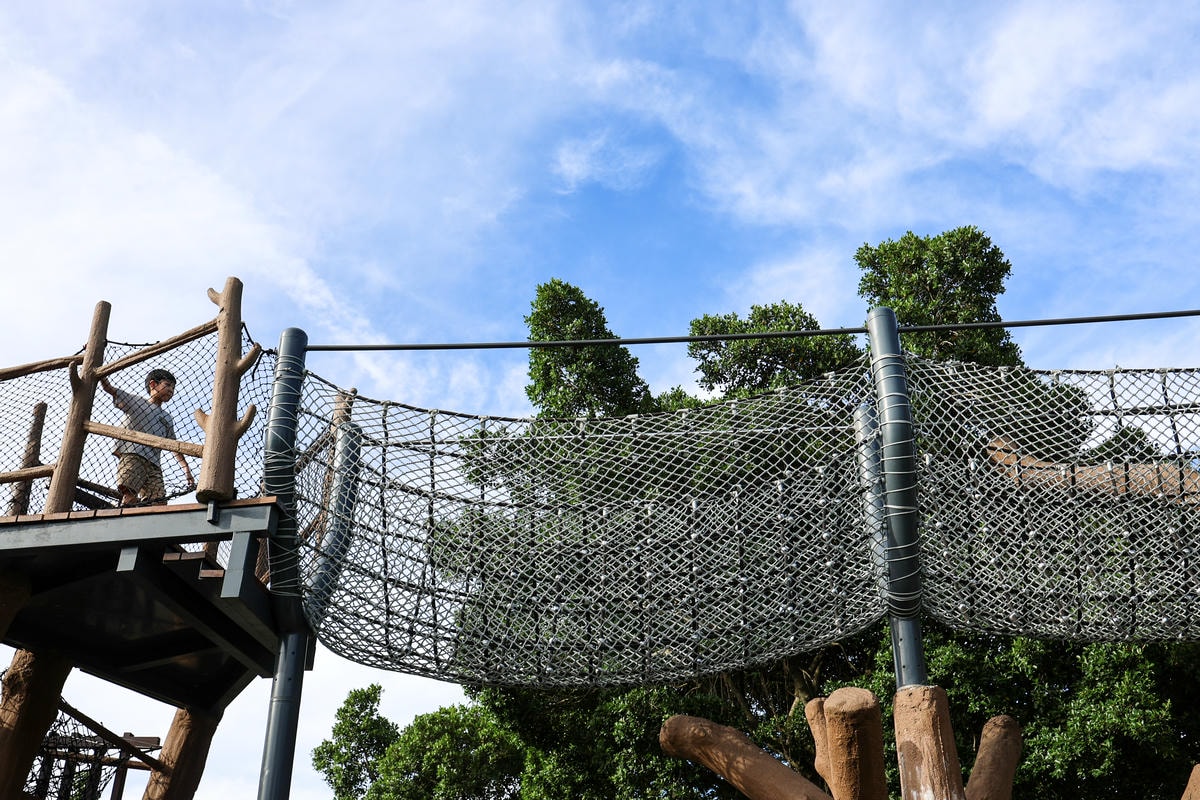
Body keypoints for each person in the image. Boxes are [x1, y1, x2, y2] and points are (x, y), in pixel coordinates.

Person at [99, 368, 195, 506]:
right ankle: (123, 514)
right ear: (153, 384)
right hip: (133, 454)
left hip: (154, 464)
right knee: (129, 494)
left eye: (173, 388)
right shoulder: (137, 402)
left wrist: (186, 468)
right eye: (167, 385)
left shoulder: (167, 418)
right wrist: (101, 373)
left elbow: (173, 445)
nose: (171, 390)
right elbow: (109, 389)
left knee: (159, 502)